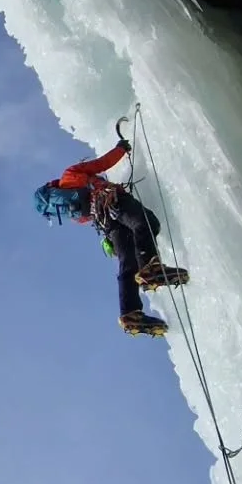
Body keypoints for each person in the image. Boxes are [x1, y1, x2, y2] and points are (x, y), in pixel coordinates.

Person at [33, 135, 188, 336]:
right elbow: (101, 163)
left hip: (105, 223)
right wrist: (121, 148)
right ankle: (151, 267)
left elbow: (85, 217)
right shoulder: (70, 175)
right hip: (112, 201)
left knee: (128, 262)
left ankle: (130, 313)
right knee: (146, 223)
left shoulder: (71, 213)